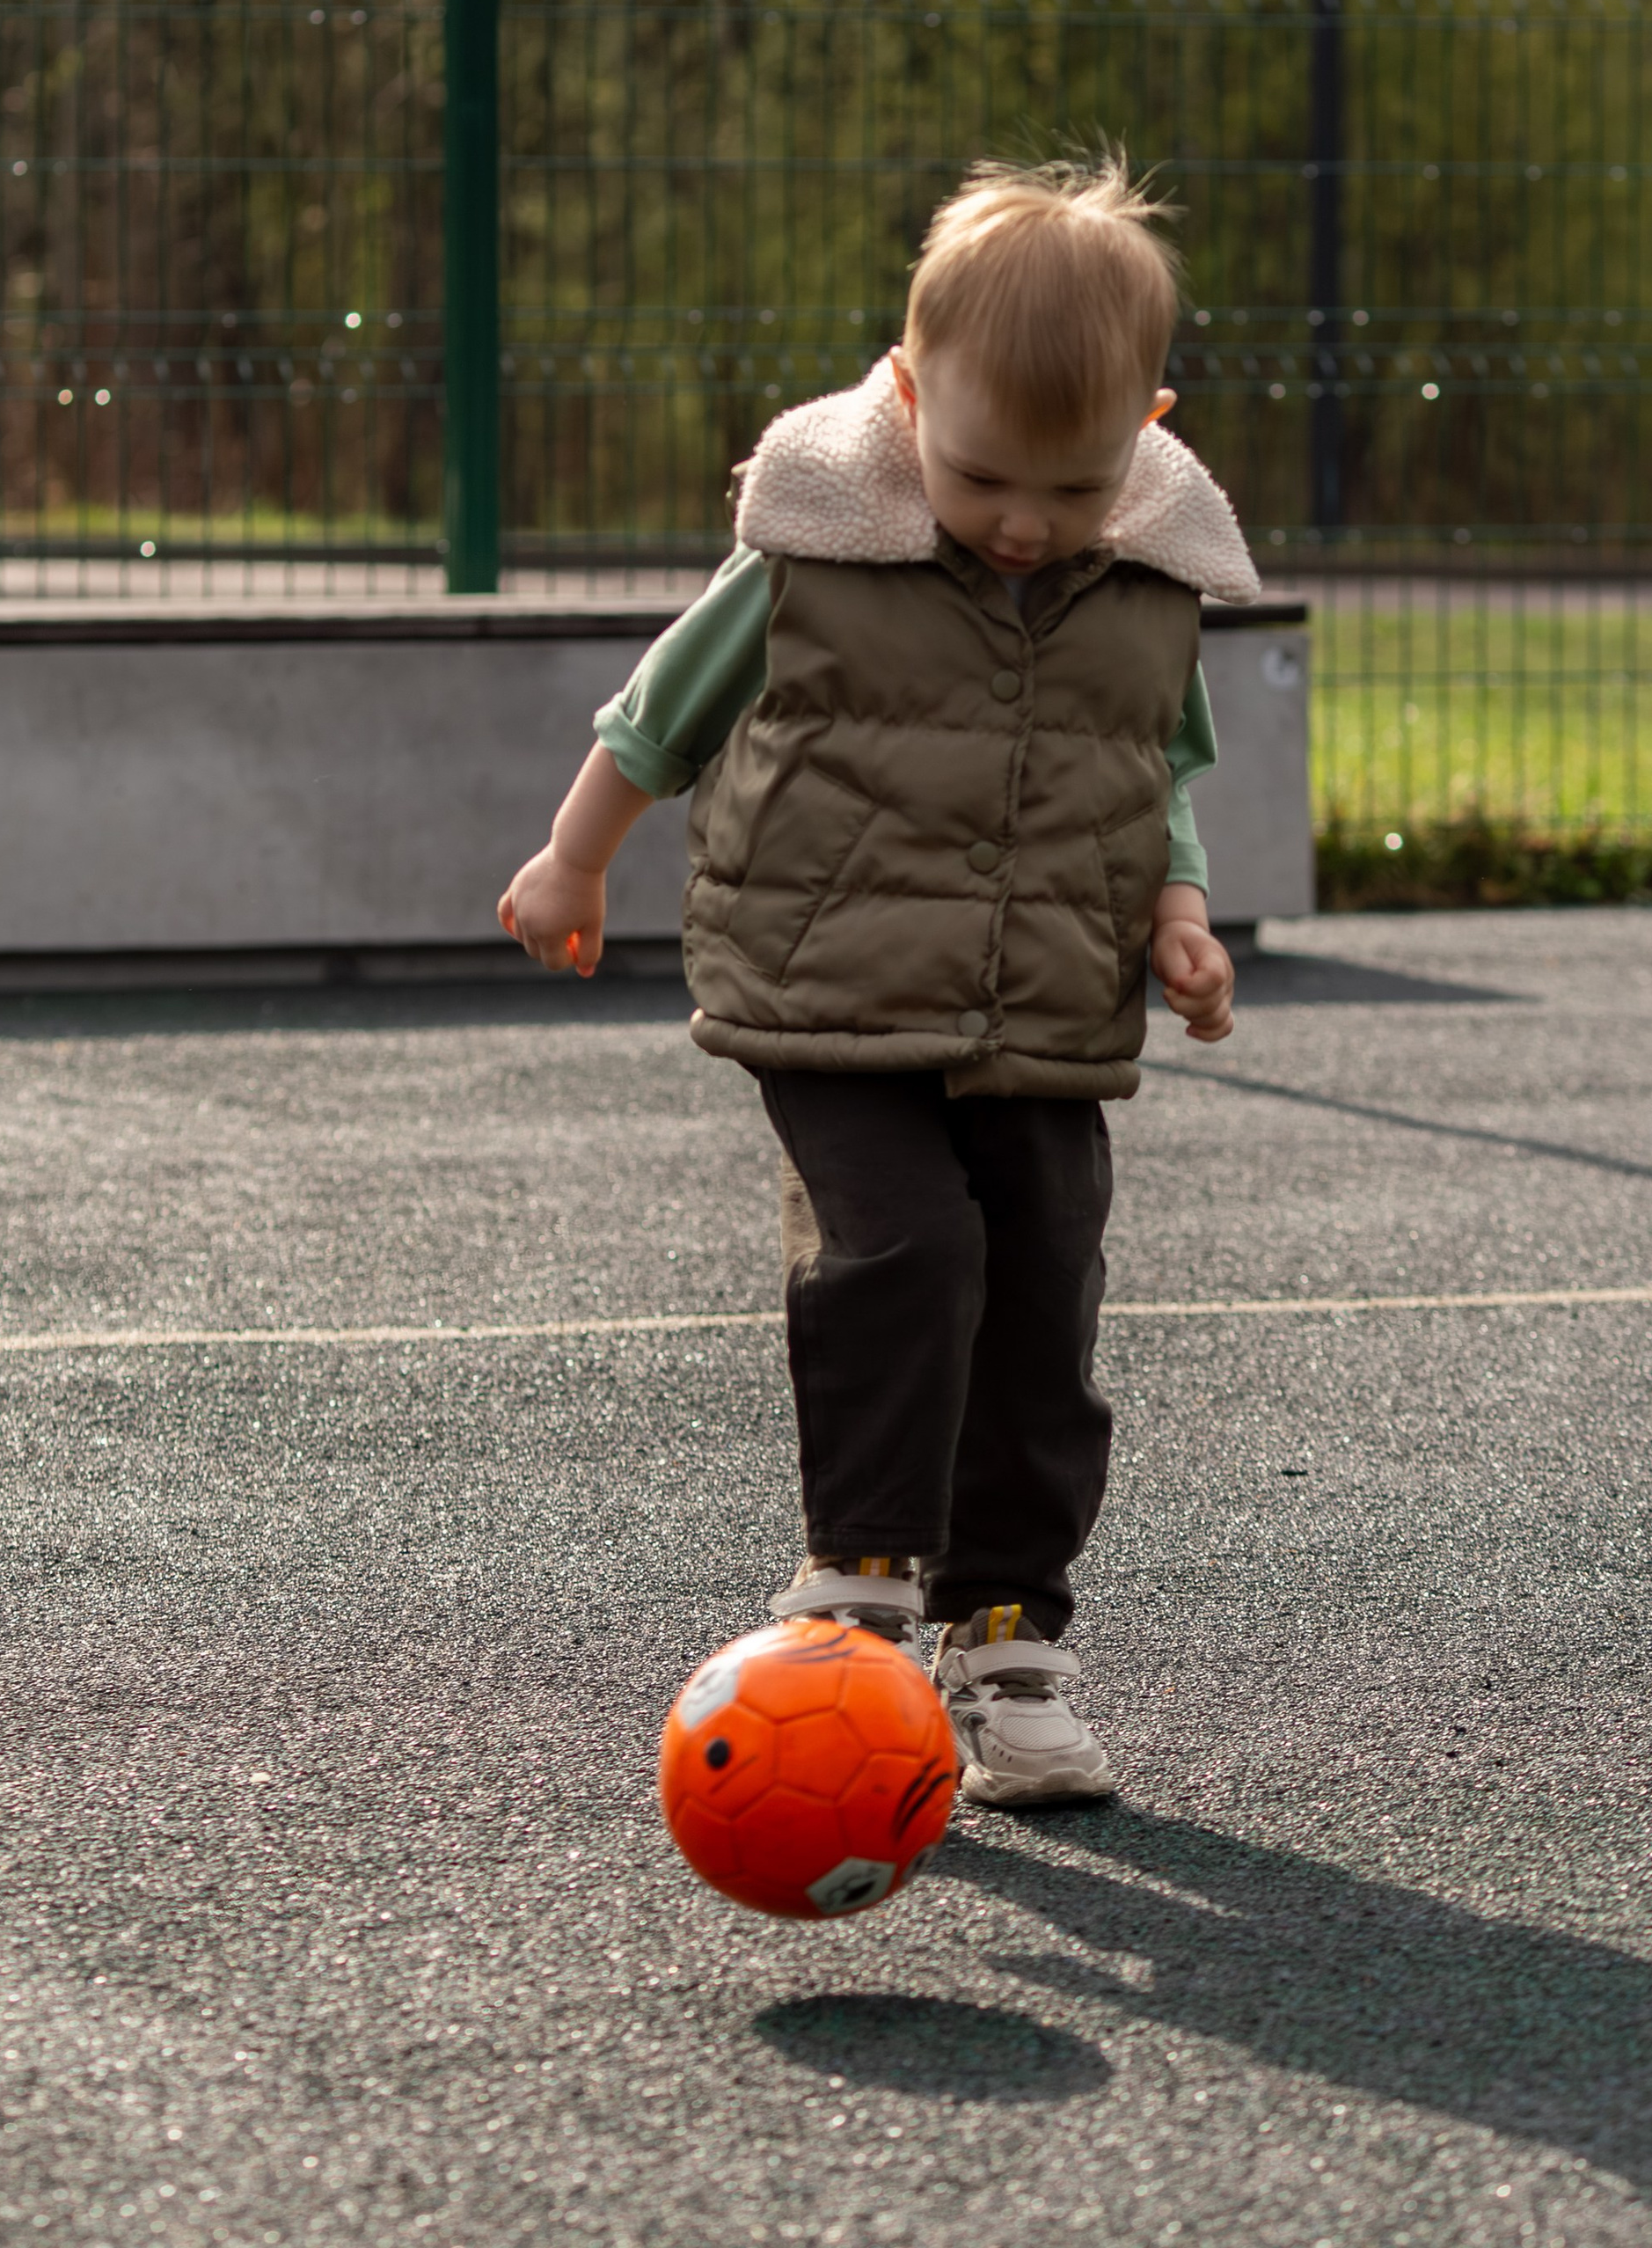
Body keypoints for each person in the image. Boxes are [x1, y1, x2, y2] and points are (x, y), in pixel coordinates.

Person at [499, 152, 1258, 1805]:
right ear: (909, 397)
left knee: (1044, 1295)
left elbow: (1154, 773)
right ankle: (858, 1577)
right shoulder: (815, 546)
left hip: (1047, 1006)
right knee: (905, 1244)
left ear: (1150, 420)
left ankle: (1009, 1634)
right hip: (828, 985)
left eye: (1070, 488)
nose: (1022, 522)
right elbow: (659, 716)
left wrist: (1179, 910)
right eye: (984, 476)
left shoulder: (1143, 584)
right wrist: (575, 855)